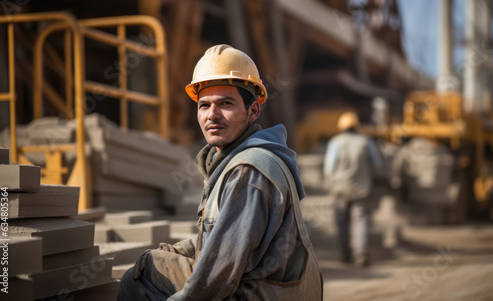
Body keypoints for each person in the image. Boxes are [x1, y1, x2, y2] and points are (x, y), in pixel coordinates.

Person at [117, 44, 323, 300]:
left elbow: (219, 275)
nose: (212, 115)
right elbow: (223, 239)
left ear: (253, 111)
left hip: (257, 294)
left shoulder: (249, 170)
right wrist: (180, 252)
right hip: (268, 288)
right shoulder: (233, 161)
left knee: (137, 279)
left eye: (225, 103)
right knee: (152, 262)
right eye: (204, 106)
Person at [323, 111, 381, 267]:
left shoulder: (335, 143)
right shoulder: (365, 142)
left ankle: (344, 255)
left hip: (340, 190)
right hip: (362, 189)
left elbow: (329, 168)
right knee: (360, 221)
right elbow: (376, 163)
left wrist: (331, 185)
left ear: (341, 127)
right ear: (356, 126)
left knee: (342, 223)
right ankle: (361, 255)